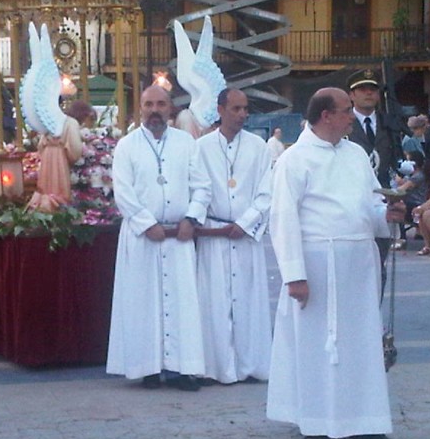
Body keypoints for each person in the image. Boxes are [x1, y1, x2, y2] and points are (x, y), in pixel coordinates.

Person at [267, 87, 405, 439]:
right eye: (346, 110)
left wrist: (386, 216)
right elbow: (282, 219)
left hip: (357, 263)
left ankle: (366, 424)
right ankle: (316, 422)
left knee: (361, 346)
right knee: (318, 346)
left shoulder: (357, 154)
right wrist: (294, 275)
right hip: (317, 263)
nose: (352, 116)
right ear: (326, 115)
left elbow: (369, 205)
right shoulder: (294, 159)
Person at [106, 85, 211, 391]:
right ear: (140, 108)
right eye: (149, 104)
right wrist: (145, 223)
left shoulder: (186, 143)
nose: (155, 110)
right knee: (143, 302)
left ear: (170, 108)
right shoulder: (126, 146)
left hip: (179, 234)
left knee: (182, 303)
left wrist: (192, 218)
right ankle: (148, 367)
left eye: (161, 104)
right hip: (143, 236)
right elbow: (123, 192)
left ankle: (182, 369)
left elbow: (201, 186)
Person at [195, 88, 273, 384]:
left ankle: (251, 364)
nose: (242, 114)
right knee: (213, 300)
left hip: (244, 234)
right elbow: (197, 189)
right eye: (236, 109)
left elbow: (267, 191)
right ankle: (216, 366)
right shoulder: (201, 148)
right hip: (213, 233)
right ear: (220, 109)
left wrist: (246, 221)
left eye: (245, 109)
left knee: (248, 300)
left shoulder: (259, 147)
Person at [346, 68, 401, 188]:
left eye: (373, 89)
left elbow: (395, 157)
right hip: (353, 189)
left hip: (384, 190)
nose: (369, 93)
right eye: (362, 90)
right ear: (351, 95)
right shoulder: (343, 124)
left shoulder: (389, 123)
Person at [28, 109, 83, 211]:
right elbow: (75, 150)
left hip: (47, 157)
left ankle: (46, 208)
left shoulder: (46, 122)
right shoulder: (70, 122)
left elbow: (40, 146)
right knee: (59, 188)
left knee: (46, 188)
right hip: (59, 158)